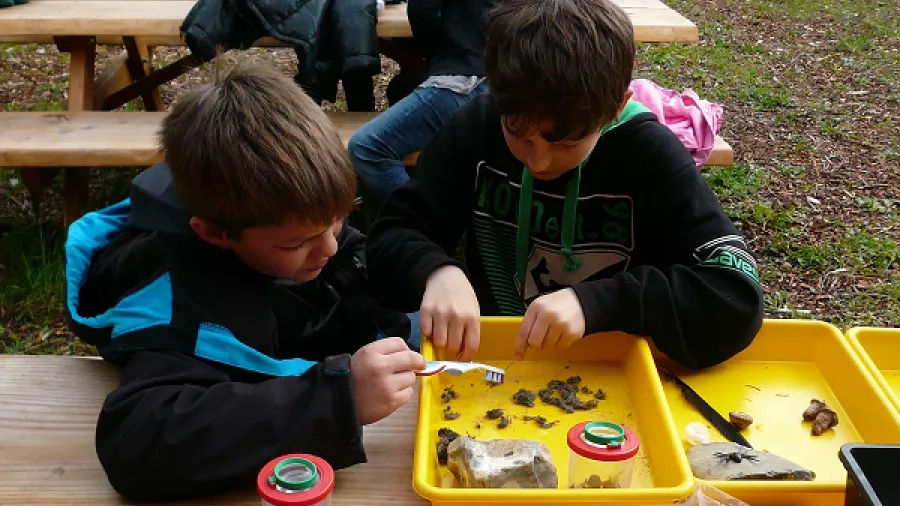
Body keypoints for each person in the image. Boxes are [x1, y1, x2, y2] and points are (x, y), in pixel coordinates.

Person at [63, 61, 425, 501]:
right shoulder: (186, 304)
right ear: (215, 234)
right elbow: (136, 441)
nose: (329, 248)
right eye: (299, 244)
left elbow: (346, 255)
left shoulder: (280, 215)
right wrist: (337, 400)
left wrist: (429, 277)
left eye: (338, 220)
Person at [365, 0, 764, 370]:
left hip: (612, 371)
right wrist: (435, 270)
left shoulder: (648, 154)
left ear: (616, 106)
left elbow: (735, 297)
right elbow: (391, 234)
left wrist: (598, 303)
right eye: (519, 135)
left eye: (567, 143)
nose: (538, 161)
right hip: (496, 362)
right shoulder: (477, 127)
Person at [347, 0, 495, 212]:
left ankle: (419, 226)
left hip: (467, 80)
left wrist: (434, 52)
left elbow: (422, 10)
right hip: (503, 74)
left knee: (368, 147)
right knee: (401, 87)